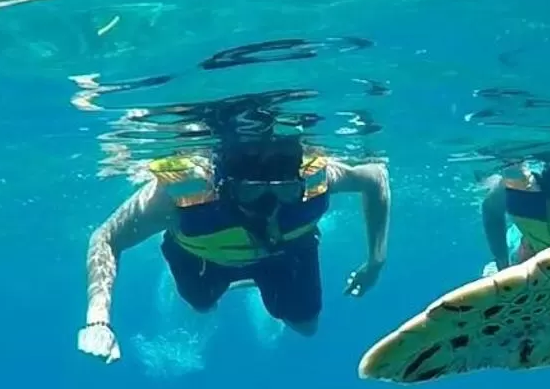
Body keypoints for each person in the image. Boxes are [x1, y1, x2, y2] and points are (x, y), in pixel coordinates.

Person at [75, 121, 391, 363]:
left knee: (307, 327)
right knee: (202, 304)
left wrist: (376, 259)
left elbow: (375, 177)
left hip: (283, 253)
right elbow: (106, 237)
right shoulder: (184, 192)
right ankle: (231, 280)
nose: (268, 204)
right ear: (223, 185)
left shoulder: (315, 178)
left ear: (299, 181)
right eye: (251, 192)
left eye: (286, 191)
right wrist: (98, 320)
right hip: (202, 256)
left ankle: (255, 282)